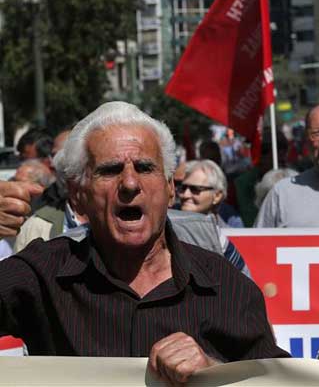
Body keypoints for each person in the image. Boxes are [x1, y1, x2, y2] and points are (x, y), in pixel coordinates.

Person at [0, 102, 287, 385]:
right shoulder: (42, 274)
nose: (129, 184)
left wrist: (217, 373)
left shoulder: (225, 286)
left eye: (145, 167)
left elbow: (282, 382)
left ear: (170, 188)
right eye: (110, 170)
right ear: (77, 195)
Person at [179, 159, 243, 227]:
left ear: (217, 196)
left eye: (195, 189)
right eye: (183, 188)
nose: (185, 195)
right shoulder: (168, 225)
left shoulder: (228, 234)